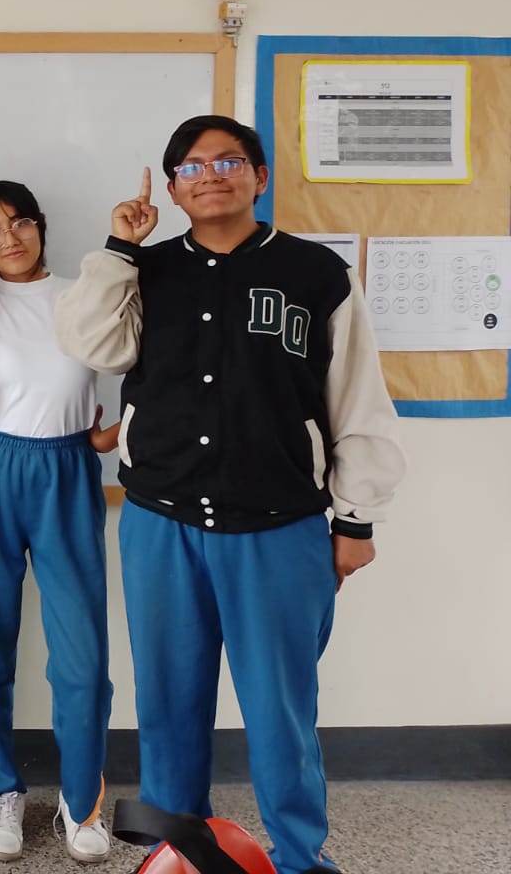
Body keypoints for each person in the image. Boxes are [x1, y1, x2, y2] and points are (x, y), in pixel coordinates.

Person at [55, 115, 405, 874]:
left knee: (281, 709)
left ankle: (300, 858)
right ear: (172, 187)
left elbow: (358, 400)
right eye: (191, 166)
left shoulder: (317, 274)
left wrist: (357, 520)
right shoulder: (146, 270)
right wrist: (119, 249)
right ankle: (176, 853)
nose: (210, 175)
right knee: (168, 704)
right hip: (161, 521)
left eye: (228, 161)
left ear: (260, 176)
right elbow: (91, 345)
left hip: (279, 528)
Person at [0, 180, 117, 864]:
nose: (8, 238)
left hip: (67, 471)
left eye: (19, 222)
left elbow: (135, 368)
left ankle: (82, 798)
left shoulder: (81, 295)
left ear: (41, 225)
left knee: (83, 654)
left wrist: (112, 435)